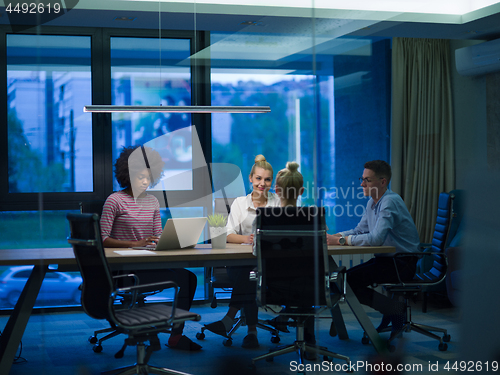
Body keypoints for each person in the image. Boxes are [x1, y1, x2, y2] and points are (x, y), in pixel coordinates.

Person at [100, 145, 202, 351]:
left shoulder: (153, 202)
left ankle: (175, 335)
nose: (145, 182)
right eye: (140, 177)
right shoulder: (115, 200)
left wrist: (171, 241)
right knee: (184, 279)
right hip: (125, 271)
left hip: (149, 265)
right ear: (128, 175)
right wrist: (134, 244)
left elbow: (157, 235)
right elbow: (102, 239)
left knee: (189, 278)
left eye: (149, 178)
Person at [326, 160, 420, 340]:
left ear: (383, 182)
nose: (361, 184)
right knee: (342, 280)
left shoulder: (389, 202)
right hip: (388, 260)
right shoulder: (373, 202)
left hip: (402, 263)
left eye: (367, 180)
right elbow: (359, 230)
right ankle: (392, 310)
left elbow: (375, 238)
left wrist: (341, 241)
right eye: (362, 179)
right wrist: (334, 237)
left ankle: (393, 310)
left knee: (346, 281)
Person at [203, 155, 280, 348]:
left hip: (268, 263)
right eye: (259, 178)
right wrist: (247, 239)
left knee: (252, 273)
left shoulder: (276, 203)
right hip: (240, 263)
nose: (262, 183)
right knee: (250, 273)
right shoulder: (239, 202)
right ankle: (251, 331)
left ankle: (230, 317)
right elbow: (227, 234)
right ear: (251, 178)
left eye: (267, 179)